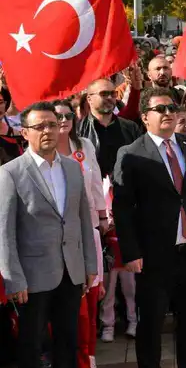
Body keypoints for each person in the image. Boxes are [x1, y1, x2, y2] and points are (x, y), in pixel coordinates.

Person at [112, 87, 186, 368]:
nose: (167, 114)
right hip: (153, 256)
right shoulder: (131, 153)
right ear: (145, 116)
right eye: (160, 109)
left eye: (172, 108)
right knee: (150, 325)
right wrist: (130, 252)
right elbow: (123, 208)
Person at [0, 101, 98, 368]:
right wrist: (14, 279)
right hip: (31, 280)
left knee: (68, 342)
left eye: (52, 125)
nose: (47, 131)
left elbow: (83, 221)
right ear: (25, 133)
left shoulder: (71, 168)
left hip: (71, 272)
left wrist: (90, 264)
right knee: (31, 346)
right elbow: (4, 232)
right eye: (39, 126)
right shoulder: (10, 173)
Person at [52, 99, 107, 365]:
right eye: (57, 116)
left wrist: (102, 215)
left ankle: (90, 356)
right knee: (74, 307)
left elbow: (96, 182)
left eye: (67, 116)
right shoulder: (43, 151)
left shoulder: (84, 146)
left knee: (92, 300)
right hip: (60, 239)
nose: (63, 121)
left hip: (90, 232)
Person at [78, 78, 142, 182]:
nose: (109, 98)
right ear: (89, 99)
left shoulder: (130, 128)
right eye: (103, 94)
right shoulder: (78, 131)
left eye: (113, 94)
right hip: (94, 192)